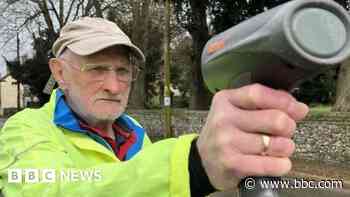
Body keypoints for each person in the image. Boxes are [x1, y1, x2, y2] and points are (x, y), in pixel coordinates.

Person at [0, 17, 309, 197]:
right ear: (59, 73)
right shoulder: (27, 129)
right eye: (96, 69)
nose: (114, 85)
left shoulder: (134, 133)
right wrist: (193, 165)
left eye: (123, 71)